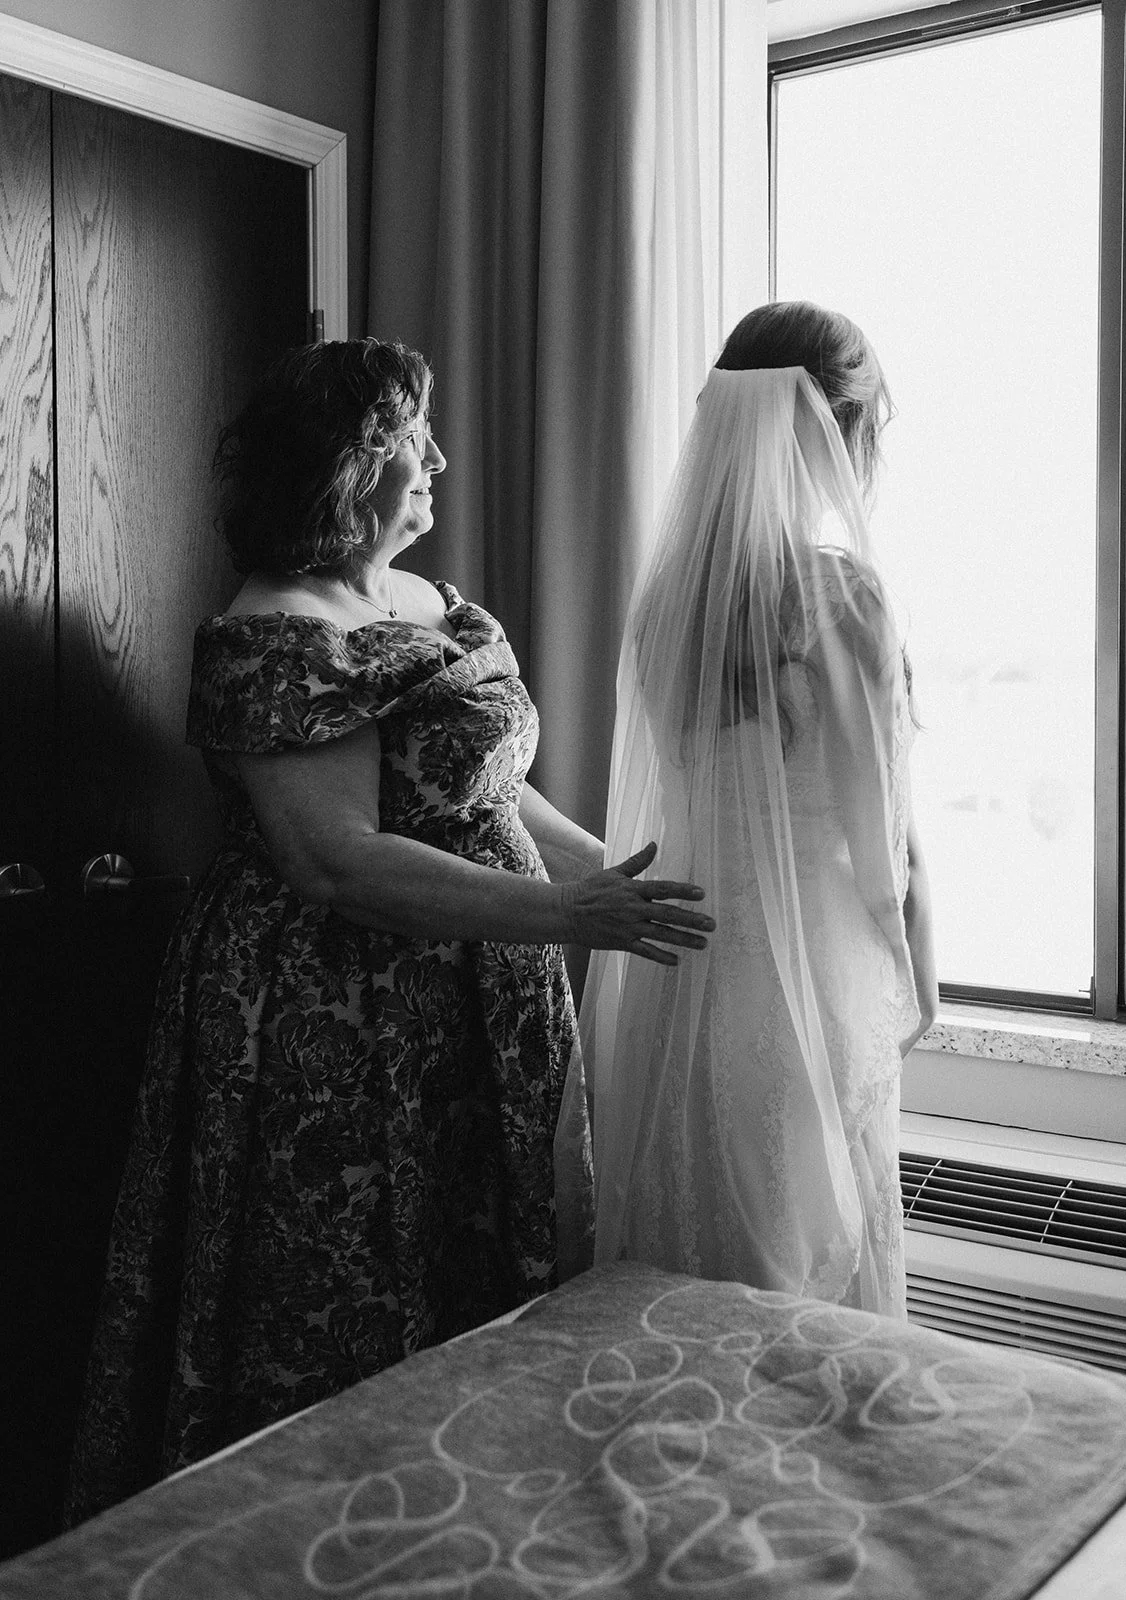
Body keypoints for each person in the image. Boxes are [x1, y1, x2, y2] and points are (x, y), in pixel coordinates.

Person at [66, 337, 714, 1522]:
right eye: (416, 442)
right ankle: (329, 1523)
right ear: (353, 467)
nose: (440, 461)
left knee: (474, 1260)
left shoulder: (425, 601)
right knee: (349, 1271)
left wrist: (619, 876)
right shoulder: (275, 634)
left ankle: (474, 1506)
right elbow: (339, 862)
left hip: (474, 989)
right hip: (337, 1018)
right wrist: (565, 913)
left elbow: (488, 790)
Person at [576, 302, 938, 1317]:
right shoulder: (843, 599)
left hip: (687, 985)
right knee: (815, 1294)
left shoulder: (668, 607)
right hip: (812, 981)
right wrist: (915, 976)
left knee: (702, 1279)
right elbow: (884, 847)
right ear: (837, 429)